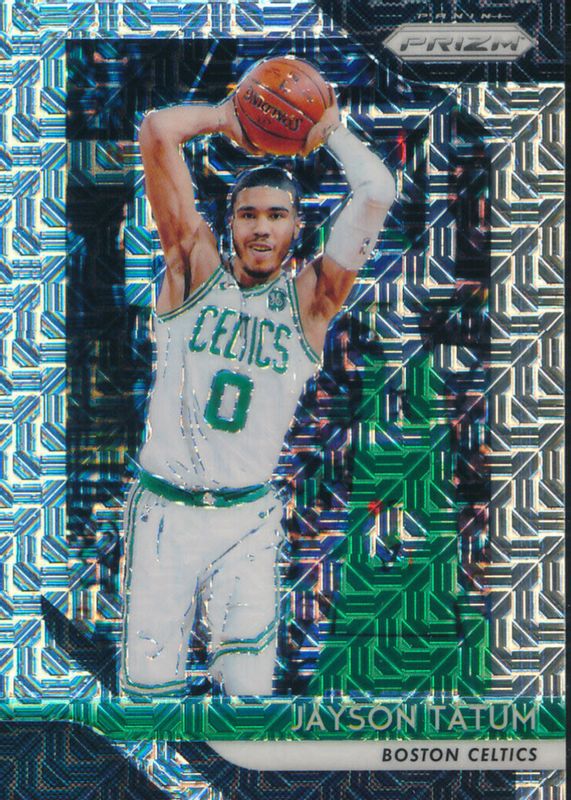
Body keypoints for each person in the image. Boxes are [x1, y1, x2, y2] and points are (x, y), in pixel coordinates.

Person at [120, 80, 395, 698]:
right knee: (149, 700)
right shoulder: (192, 270)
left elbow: (377, 191)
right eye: (248, 215)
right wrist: (227, 117)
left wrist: (329, 132)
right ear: (230, 224)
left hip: (248, 521)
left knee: (247, 701)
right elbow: (158, 130)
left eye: (277, 215)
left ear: (298, 226)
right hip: (165, 512)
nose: (262, 228)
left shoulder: (312, 303)